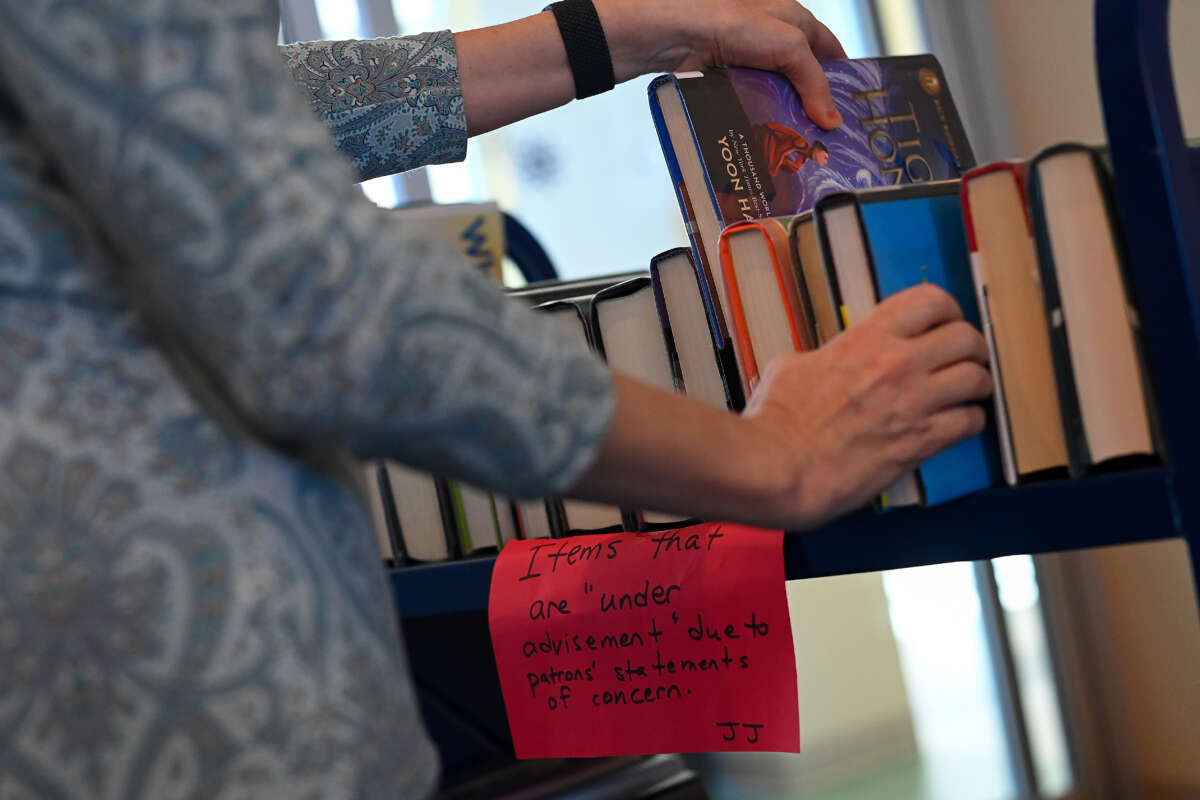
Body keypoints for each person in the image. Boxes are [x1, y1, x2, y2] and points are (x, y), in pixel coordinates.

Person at [0, 0, 991, 797]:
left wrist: (621, 29)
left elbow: (237, 113)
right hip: (160, 666)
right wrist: (775, 455)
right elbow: (316, 295)